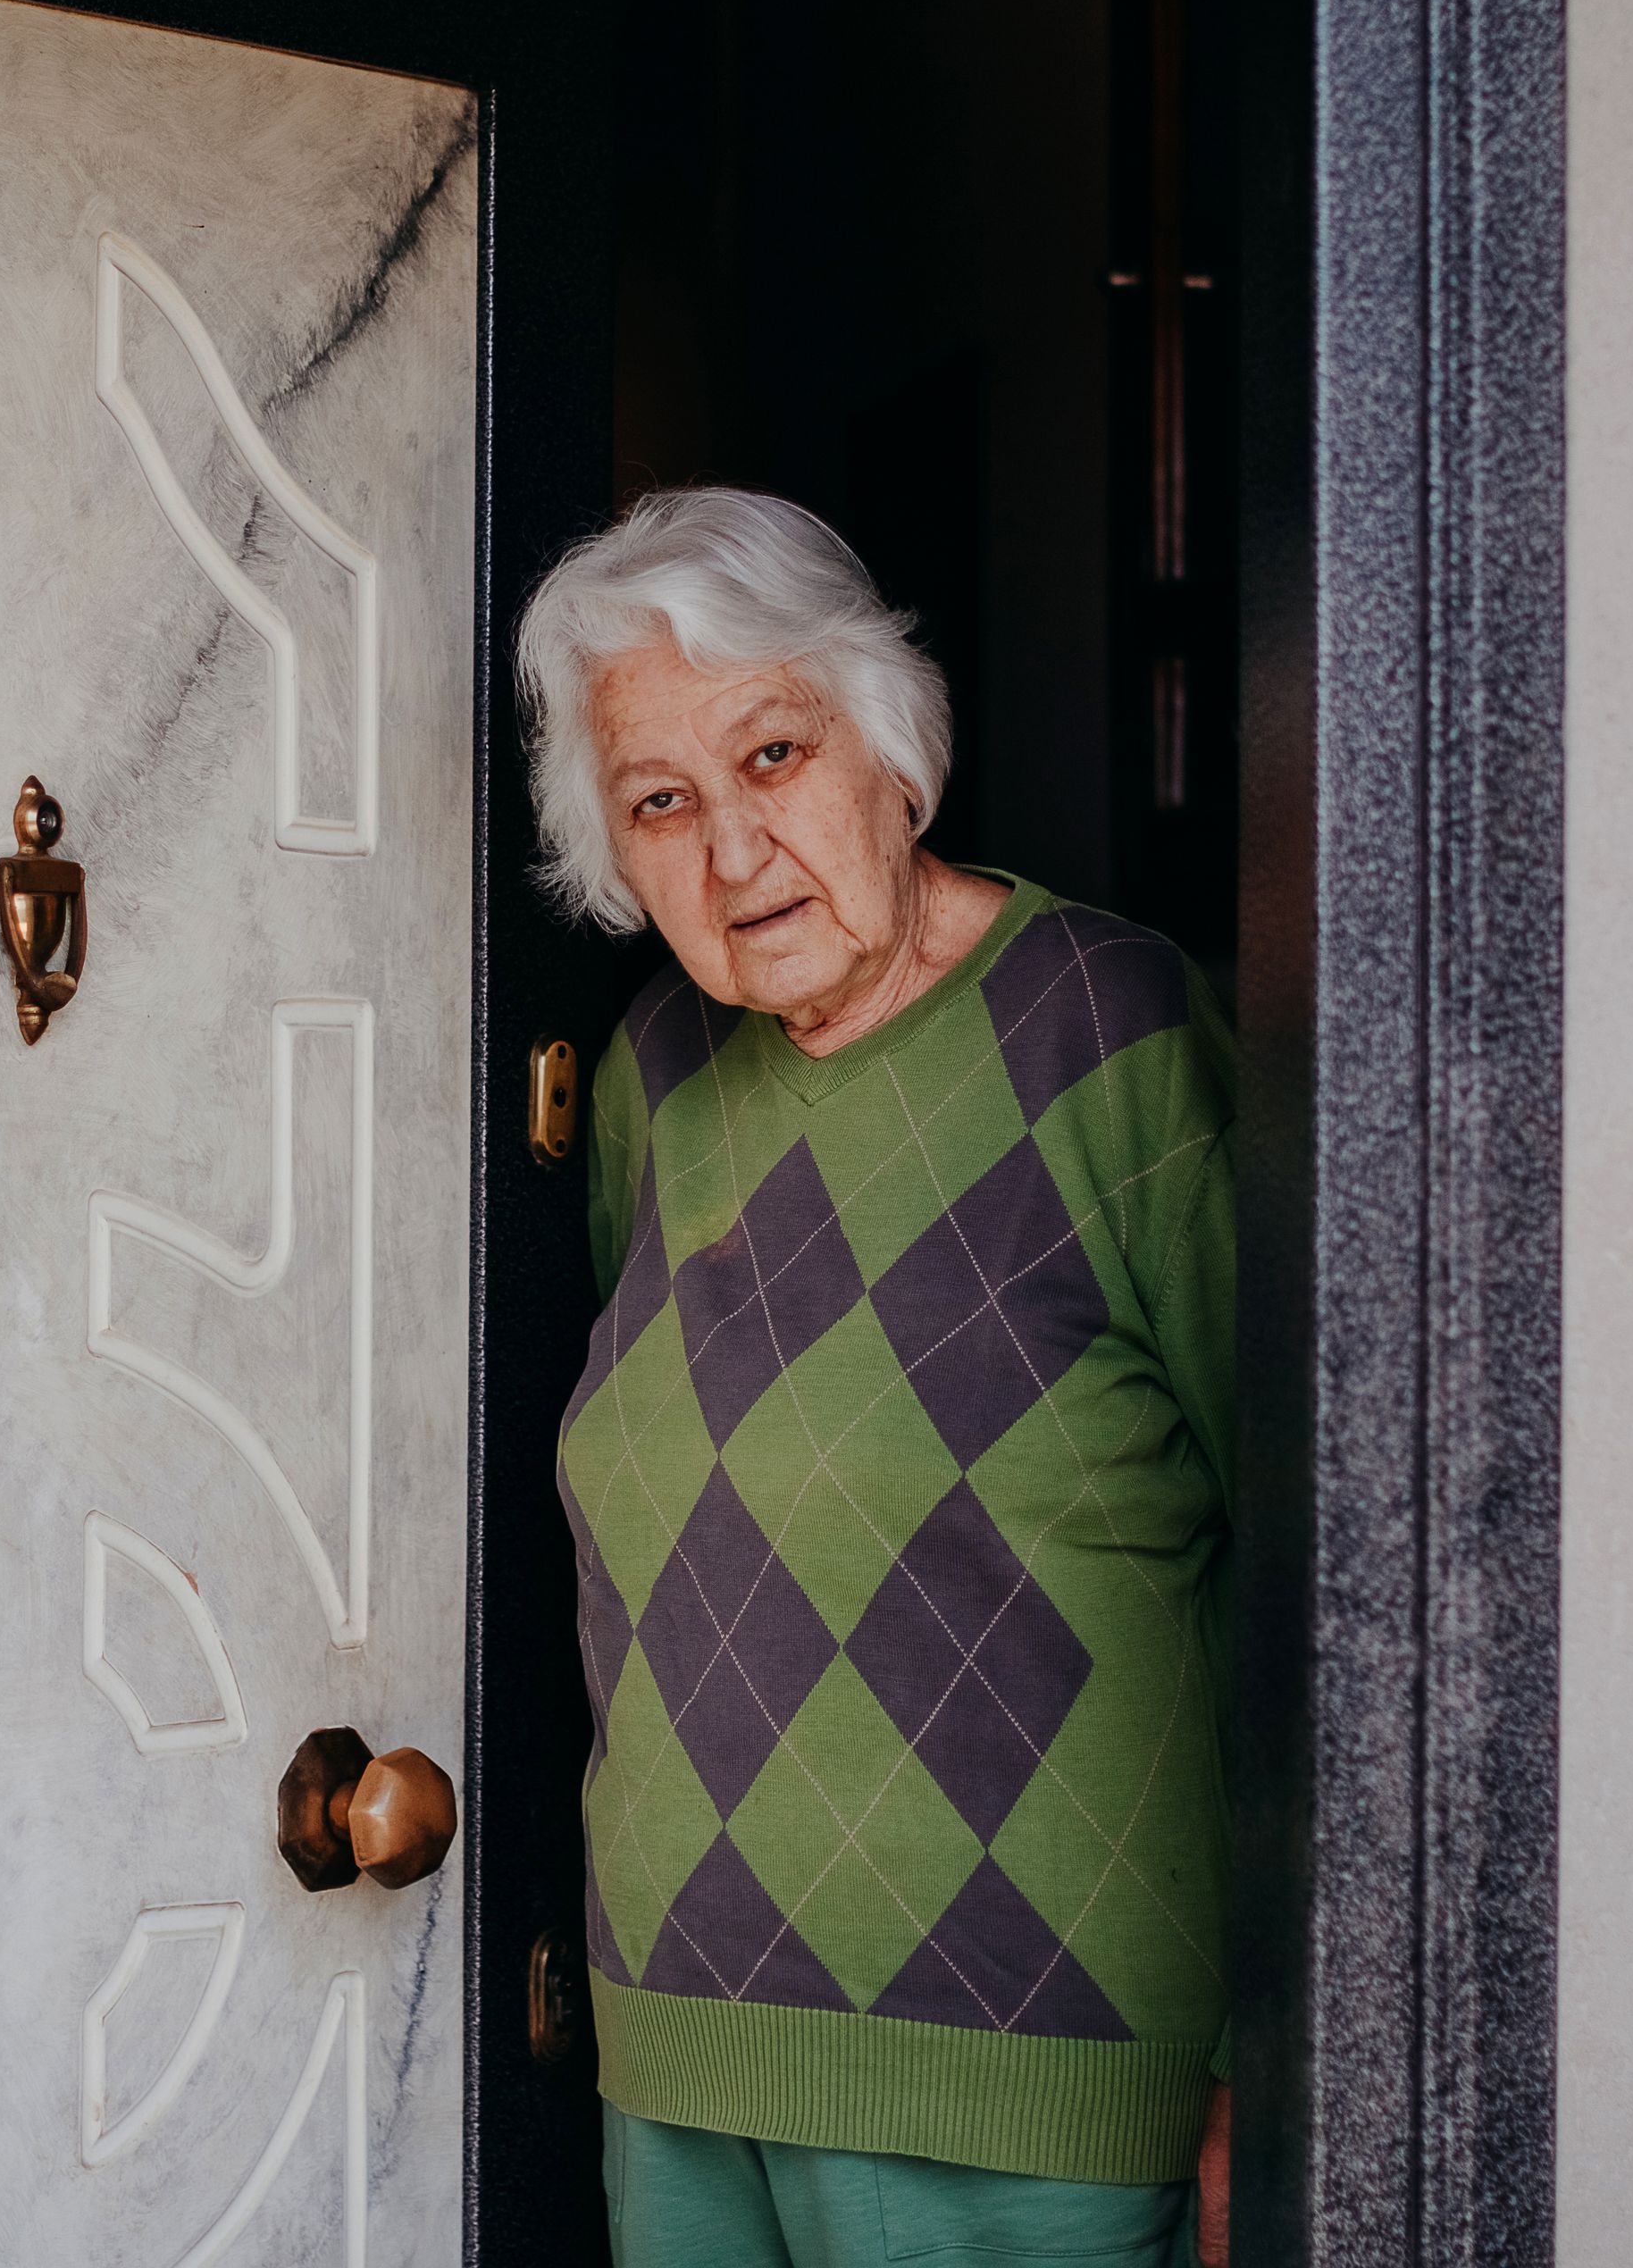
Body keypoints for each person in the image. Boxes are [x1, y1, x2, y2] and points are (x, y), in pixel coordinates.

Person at [524, 490, 1237, 2268]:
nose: (732, 844)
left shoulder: (1111, 1035)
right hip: (678, 2063)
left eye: (771, 750)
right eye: (658, 801)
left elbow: (1317, 1579)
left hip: (1030, 2089)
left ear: (889, 747)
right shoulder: (657, 1074)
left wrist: (1277, 2069)